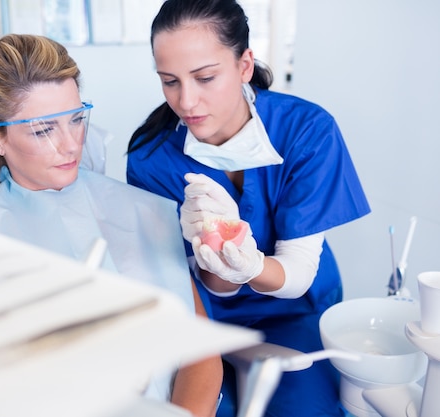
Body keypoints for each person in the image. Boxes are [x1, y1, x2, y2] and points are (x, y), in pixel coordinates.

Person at [0, 33, 223, 417]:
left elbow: (199, 352)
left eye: (77, 119)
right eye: (44, 129)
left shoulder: (143, 211)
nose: (70, 145)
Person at [126, 1, 371, 416]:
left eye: (205, 77)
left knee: (306, 409)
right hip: (206, 317)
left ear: (244, 65)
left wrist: (250, 266)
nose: (186, 101)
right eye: (169, 81)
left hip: (294, 310)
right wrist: (216, 255)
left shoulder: (306, 131)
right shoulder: (152, 158)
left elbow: (295, 272)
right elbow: (206, 285)